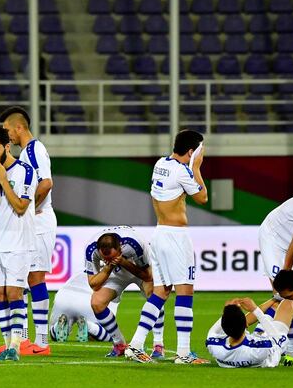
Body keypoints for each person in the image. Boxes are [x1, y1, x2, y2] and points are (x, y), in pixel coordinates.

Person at [127, 129, 210, 364]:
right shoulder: (184, 171)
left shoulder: (160, 163)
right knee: (185, 292)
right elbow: (203, 198)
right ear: (192, 151)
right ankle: (184, 353)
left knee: (161, 292)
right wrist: (196, 167)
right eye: (200, 150)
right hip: (176, 237)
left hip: (160, 234)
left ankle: (135, 345)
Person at [0, 106, 56, 353]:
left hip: (40, 223)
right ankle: (21, 339)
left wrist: (28, 208)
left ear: (18, 127)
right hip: (30, 223)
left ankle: (42, 341)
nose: (6, 136)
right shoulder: (25, 153)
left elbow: (46, 182)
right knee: (20, 278)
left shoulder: (35, 150)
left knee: (35, 278)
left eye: (7, 130)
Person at [0, 126, 37, 361]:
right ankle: (6, 347)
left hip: (18, 242)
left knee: (15, 292)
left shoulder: (25, 171)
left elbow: (21, 207)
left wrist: (4, 180)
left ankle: (16, 346)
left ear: (6, 146)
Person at [83, 227, 164, 361]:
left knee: (154, 294)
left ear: (120, 248)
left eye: (112, 257)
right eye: (105, 259)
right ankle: (119, 344)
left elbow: (147, 276)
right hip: (115, 273)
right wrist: (109, 266)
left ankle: (158, 345)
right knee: (97, 303)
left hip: (137, 269)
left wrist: (123, 262)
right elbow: (93, 284)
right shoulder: (91, 250)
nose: (108, 260)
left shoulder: (134, 244)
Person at [206, 297, 292, 368]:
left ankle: (274, 299)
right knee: (288, 304)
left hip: (252, 341)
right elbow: (278, 339)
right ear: (247, 324)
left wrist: (229, 310)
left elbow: (213, 331)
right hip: (271, 348)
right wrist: (255, 310)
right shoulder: (261, 349)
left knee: (272, 308)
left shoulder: (214, 346)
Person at [49, 272, 117, 344]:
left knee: (54, 331)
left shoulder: (88, 265)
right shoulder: (117, 276)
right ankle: (89, 326)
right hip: (88, 300)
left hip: (64, 296)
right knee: (112, 333)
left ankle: (59, 327)